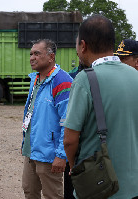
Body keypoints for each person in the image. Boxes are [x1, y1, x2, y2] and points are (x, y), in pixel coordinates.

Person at [63, 15, 138, 198]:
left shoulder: (84, 79)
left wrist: (74, 167)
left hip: (98, 186)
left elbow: (69, 140)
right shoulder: (135, 76)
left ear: (83, 45)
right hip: (133, 185)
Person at [21, 39, 72, 199]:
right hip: (31, 150)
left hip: (50, 155)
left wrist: (61, 155)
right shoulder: (36, 79)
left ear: (51, 57)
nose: (32, 57)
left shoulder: (62, 81)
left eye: (37, 53)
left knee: (52, 195)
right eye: (31, 54)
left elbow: (68, 122)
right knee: (29, 191)